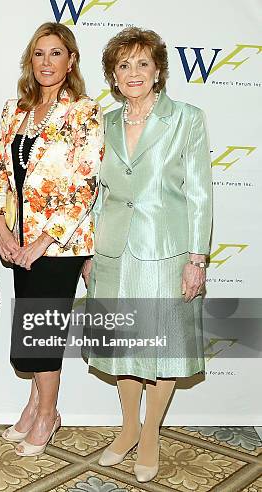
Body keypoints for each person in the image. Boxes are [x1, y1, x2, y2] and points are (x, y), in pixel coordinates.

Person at [83, 27, 212, 483]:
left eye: (141, 63)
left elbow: (199, 194)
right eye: (123, 65)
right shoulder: (105, 123)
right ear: (113, 76)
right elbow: (98, 193)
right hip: (114, 250)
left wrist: (197, 260)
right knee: (124, 348)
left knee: (163, 347)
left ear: (158, 70)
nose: (133, 73)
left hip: (167, 252)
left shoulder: (186, 119)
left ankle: (151, 434)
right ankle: (127, 429)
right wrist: (90, 251)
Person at [0, 22, 103, 457]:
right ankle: (34, 403)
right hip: (18, 242)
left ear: (71, 60)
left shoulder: (85, 111)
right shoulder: (13, 110)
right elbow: (4, 178)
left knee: (43, 334)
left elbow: (86, 185)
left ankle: (48, 414)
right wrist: (1, 228)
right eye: (39, 54)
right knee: (30, 330)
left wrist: (44, 239)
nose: (46, 62)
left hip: (61, 244)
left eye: (55, 53)